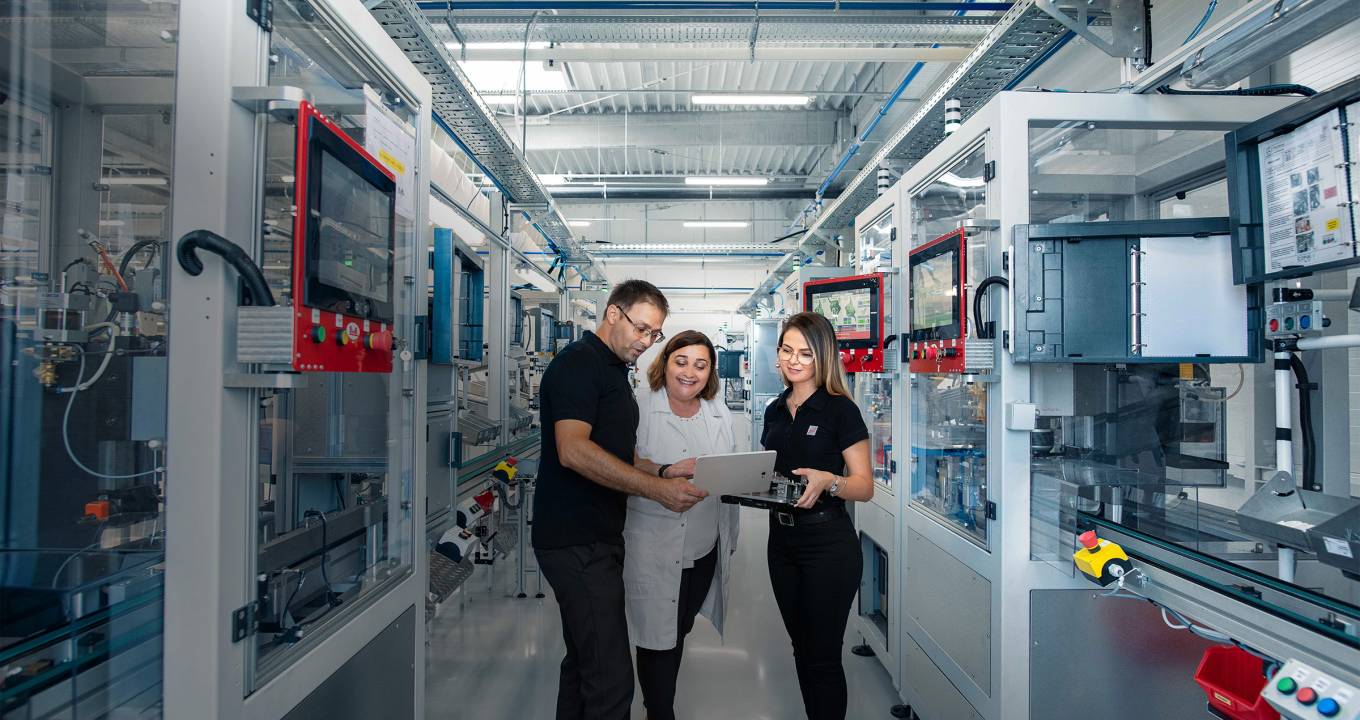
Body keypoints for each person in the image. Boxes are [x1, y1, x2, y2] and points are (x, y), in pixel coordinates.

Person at [532, 280, 709, 720]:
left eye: (655, 334)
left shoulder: (612, 371)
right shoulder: (578, 365)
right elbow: (573, 450)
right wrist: (657, 491)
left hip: (598, 537)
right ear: (613, 313)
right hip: (576, 540)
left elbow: (613, 449)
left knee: (583, 664)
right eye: (642, 328)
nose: (647, 342)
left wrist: (663, 470)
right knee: (611, 684)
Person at [761, 311, 874, 720]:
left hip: (827, 546)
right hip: (782, 543)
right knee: (802, 648)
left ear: (822, 357)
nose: (793, 361)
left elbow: (864, 485)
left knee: (823, 657)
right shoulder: (776, 409)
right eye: (787, 351)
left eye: (805, 353)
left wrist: (830, 481)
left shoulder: (840, 410)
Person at [623, 331, 740, 720]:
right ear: (665, 363)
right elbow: (621, 464)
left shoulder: (719, 414)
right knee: (658, 636)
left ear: (710, 374)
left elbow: (731, 467)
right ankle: (659, 711)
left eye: (701, 365)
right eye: (682, 361)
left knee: (680, 627)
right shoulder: (639, 409)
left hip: (704, 545)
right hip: (654, 544)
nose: (690, 372)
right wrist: (665, 473)